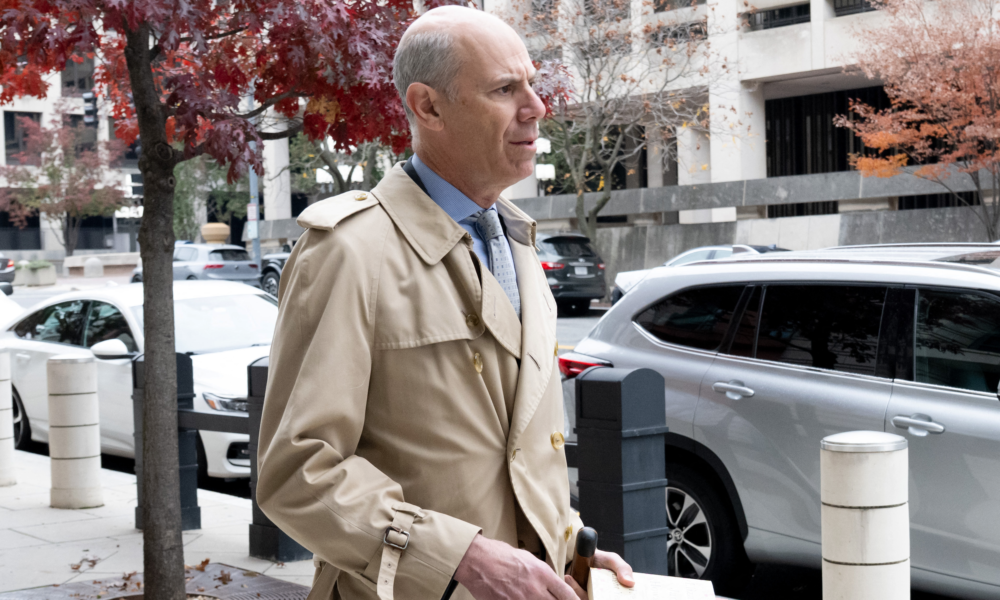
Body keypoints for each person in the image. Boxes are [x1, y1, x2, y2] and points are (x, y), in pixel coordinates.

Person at [256, 6, 634, 600]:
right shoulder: (348, 252)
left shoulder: (518, 243)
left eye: (531, 84)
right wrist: (462, 557)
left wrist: (565, 547)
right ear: (428, 107)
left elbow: (513, 453)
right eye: (504, 89)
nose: (536, 107)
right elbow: (298, 473)